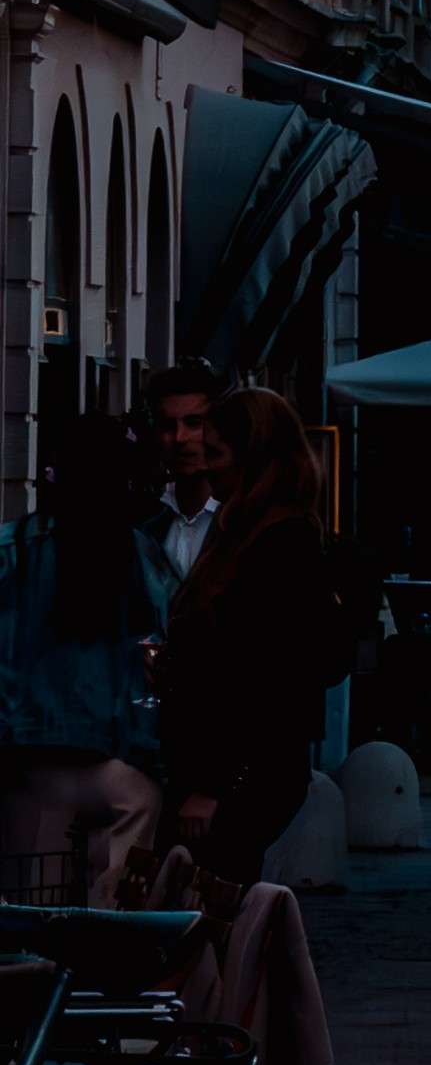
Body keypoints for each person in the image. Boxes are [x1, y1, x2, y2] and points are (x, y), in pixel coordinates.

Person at [158, 387, 349, 884]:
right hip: (234, 764)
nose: (207, 466)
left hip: (241, 770)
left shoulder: (278, 542)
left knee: (213, 900)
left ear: (253, 458)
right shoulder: (248, 531)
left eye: (217, 453)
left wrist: (212, 785)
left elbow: (261, 676)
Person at [0, 414, 175, 901]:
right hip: (119, 760)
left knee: (32, 902)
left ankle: (39, 970)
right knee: (116, 903)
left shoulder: (13, 549)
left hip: (28, 759)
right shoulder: (141, 553)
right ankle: (109, 952)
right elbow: (167, 654)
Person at [147, 357, 224, 587]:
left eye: (194, 423)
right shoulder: (146, 523)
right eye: (168, 426)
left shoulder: (243, 521)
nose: (180, 438)